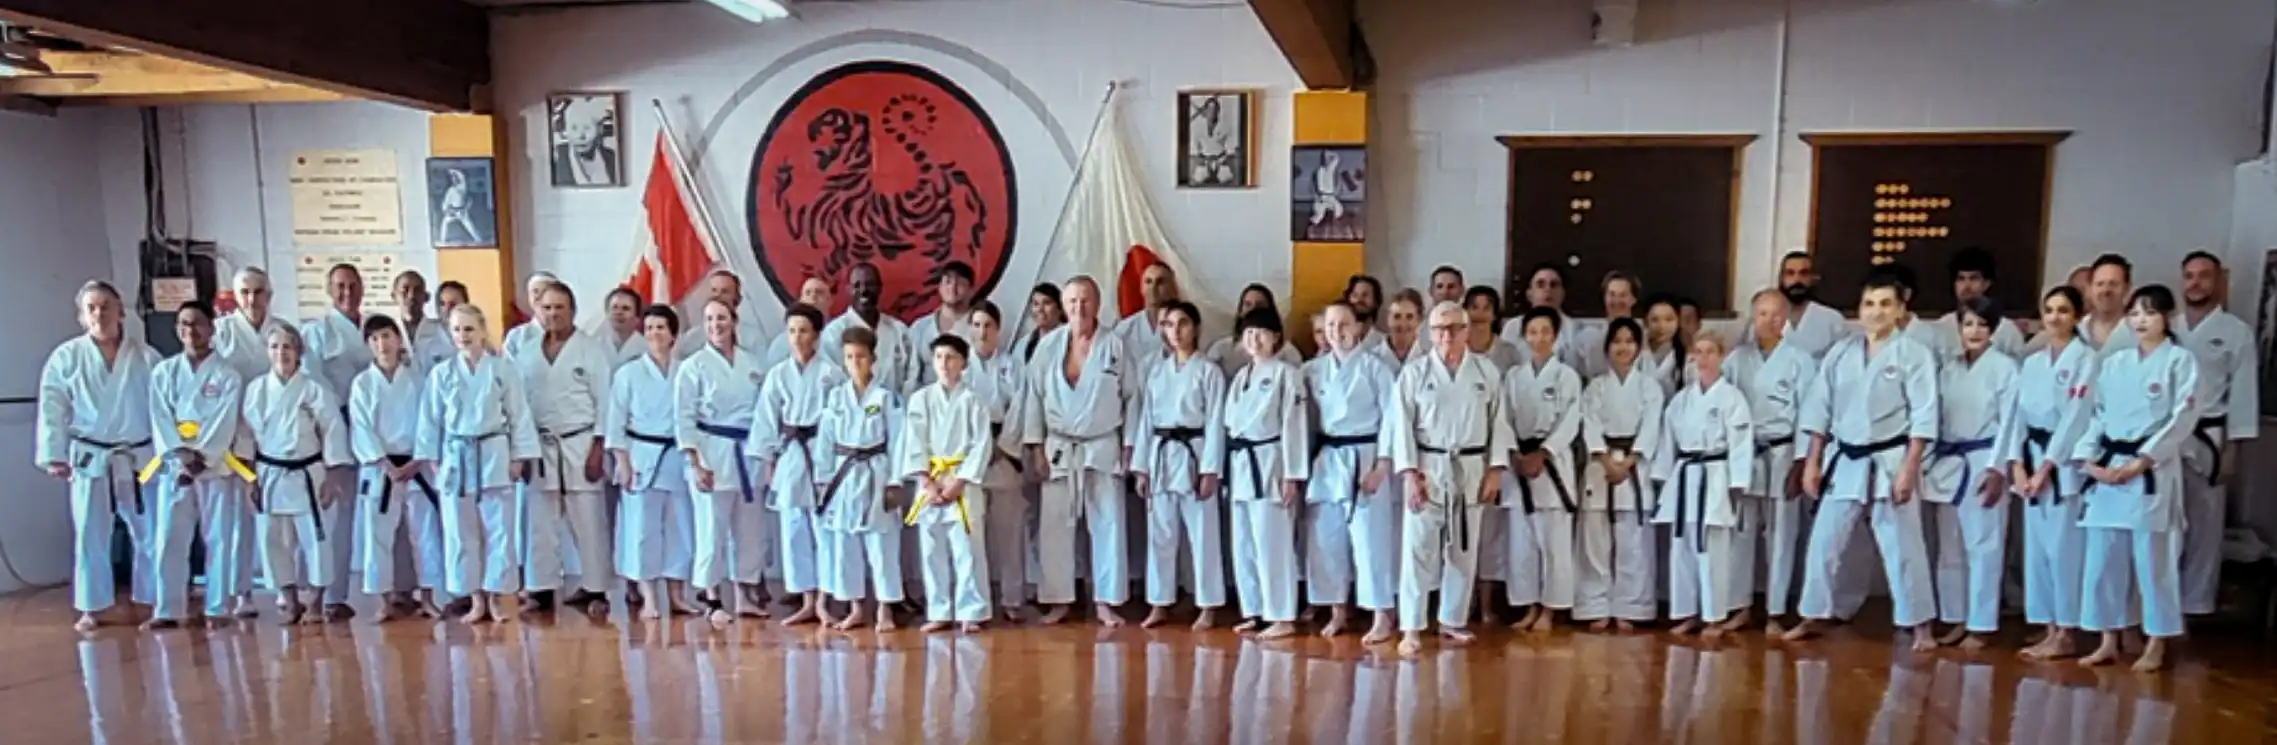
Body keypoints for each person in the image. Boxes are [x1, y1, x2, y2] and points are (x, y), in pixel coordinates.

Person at [1784, 272, 1941, 651]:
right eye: (1870, 304)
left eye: (1886, 304)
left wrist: (1910, 468)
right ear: (1859, 309)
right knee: (1824, 542)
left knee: (1903, 546)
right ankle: (1813, 613)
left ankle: (1919, 625)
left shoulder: (1913, 354)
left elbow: (1924, 414)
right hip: (1846, 458)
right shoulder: (1841, 352)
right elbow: (1818, 409)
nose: (1876, 311)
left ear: (1901, 309)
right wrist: (1812, 462)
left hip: (1890, 458)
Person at [2074, 285, 2198, 672]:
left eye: (2150, 312)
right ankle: (2107, 638)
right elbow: (2098, 414)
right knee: (2102, 558)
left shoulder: (2180, 361)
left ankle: (2156, 641)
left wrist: (2143, 461)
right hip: (2110, 466)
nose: (2141, 320)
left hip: (2151, 470)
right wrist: (2088, 458)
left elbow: (2183, 418)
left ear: (2168, 317)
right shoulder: (2115, 363)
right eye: (2135, 313)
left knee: (2153, 560)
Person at [1387, 301, 1514, 655]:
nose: (1448, 335)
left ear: (1467, 330)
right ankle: (1412, 625)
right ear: (1430, 333)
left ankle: (1452, 619)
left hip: (1472, 465)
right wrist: (1410, 474)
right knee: (1418, 549)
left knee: (1463, 546)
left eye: (1455, 327)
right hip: (1429, 465)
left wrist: (1495, 470)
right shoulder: (1414, 374)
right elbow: (1402, 428)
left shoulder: (1486, 372)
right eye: (1440, 329)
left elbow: (1499, 424)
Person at [38, 280, 160, 632]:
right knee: (91, 530)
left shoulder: (147, 357)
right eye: (91, 307)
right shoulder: (66, 358)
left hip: (139, 454)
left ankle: (154, 598)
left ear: (122, 312)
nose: (99, 313)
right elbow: (52, 406)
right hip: (90, 455)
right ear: (81, 316)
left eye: (106, 306)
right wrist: (53, 453)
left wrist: (170, 455)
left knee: (149, 530)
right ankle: (91, 605)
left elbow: (164, 410)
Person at [1021, 276, 1138, 627]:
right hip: (1059, 447)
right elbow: (1034, 397)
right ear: (1063, 306)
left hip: (1102, 445)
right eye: (1072, 301)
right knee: (1055, 526)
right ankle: (1059, 600)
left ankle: (1105, 600)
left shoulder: (1115, 346)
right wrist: (1035, 446)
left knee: (1108, 524)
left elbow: (1133, 399)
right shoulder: (1048, 347)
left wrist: (1130, 445)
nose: (1078, 308)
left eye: (1085, 301)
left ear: (1097, 304)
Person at [417, 304, 540, 625]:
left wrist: (518, 457)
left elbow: (519, 414)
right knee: (461, 530)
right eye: (456, 330)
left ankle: (497, 597)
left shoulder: (502, 370)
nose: (463, 336)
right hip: (456, 455)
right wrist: (433, 461)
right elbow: (430, 421)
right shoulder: (441, 374)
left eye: (469, 329)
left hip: (494, 451)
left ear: (483, 331)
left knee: (499, 529)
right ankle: (474, 598)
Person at [504, 283, 616, 614]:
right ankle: (541, 588)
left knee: (588, 519)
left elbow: (605, 401)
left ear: (573, 310)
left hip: (580, 441)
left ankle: (596, 589)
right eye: (547, 308)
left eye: (560, 307)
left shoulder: (590, 349)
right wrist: (521, 451)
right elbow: (517, 406)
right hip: (539, 444)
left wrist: (598, 446)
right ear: (537, 311)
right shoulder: (525, 352)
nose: (553, 314)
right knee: (540, 521)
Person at [2002, 286, 2098, 661]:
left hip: (2064, 467)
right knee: (2037, 551)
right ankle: (2047, 627)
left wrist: (2047, 467)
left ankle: (2067, 631)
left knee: (2064, 551)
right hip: (2032, 458)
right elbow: (2017, 417)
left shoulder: (2086, 359)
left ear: (2076, 316)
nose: (2055, 317)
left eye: (2063, 311)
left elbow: (2077, 417)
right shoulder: (2033, 362)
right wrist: (2018, 465)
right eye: (2049, 310)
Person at [144, 300, 250, 628]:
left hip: (214, 466)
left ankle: (218, 607)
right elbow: (159, 417)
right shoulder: (164, 372)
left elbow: (225, 419)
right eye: (184, 324)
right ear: (178, 330)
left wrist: (202, 456)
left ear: (212, 328)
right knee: (169, 537)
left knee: (219, 538)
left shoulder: (228, 375)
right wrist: (179, 454)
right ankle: (167, 608)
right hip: (176, 466)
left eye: (197, 323)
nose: (191, 331)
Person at [1303, 301, 1402, 643]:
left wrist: (1383, 465)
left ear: (1359, 328)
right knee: (1326, 539)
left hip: (1366, 455)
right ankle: (1337, 610)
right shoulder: (1313, 370)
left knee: (1370, 540)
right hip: (1329, 457)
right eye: (1330, 325)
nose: (1337, 331)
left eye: (1344, 324)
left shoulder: (1376, 369)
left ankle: (1381, 614)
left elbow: (1393, 420)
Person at [243, 322, 353, 625]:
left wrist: (333, 475)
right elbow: (245, 439)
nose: (282, 353)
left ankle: (316, 601)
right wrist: (249, 478)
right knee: (273, 539)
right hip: (269, 472)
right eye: (275, 347)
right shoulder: (255, 390)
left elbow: (333, 431)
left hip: (309, 472)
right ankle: (289, 600)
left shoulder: (314, 389)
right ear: (267, 351)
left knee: (316, 539)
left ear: (300, 352)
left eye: (288, 347)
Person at [1924, 296, 2018, 651]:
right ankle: (1955, 617)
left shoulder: (2005, 368)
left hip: (1984, 459)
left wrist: (1998, 469)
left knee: (1984, 544)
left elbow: (2011, 422)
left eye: (1982, 324)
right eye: (1968, 324)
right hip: (1949, 461)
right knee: (1950, 547)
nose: (1974, 331)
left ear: (1993, 330)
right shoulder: (1947, 368)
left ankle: (1981, 623)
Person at [1721, 289, 1816, 636]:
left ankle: (1776, 611)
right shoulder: (1736, 359)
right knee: (1741, 533)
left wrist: (1802, 462)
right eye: (1762, 313)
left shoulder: (1800, 361)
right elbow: (1724, 408)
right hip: (1747, 453)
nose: (1769, 321)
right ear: (1752, 316)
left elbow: (1810, 414)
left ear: (1787, 319)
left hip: (1782, 452)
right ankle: (1740, 606)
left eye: (1776, 314)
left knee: (1781, 535)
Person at [673, 298, 773, 624]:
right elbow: (684, 419)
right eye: (710, 319)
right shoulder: (693, 367)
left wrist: (766, 455)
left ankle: (744, 594)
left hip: (748, 452)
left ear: (734, 321)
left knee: (750, 529)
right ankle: (713, 597)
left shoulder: (753, 364)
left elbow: (764, 414)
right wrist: (695, 463)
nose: (716, 325)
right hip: (711, 452)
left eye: (722, 318)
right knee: (712, 528)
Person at [1131, 300, 1229, 631]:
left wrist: (1210, 469)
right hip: (1161, 454)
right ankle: (1159, 602)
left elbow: (1216, 421)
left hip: (1196, 453)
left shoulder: (1209, 371)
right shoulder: (1156, 371)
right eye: (1169, 325)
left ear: (1196, 328)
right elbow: (1145, 421)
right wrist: (1141, 466)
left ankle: (1208, 605)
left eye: (1183, 324)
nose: (1176, 331)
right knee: (1160, 535)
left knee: (1203, 535)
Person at [2173, 251, 2258, 616]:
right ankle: (2158, 605)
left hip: (2209, 436)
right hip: (2166, 437)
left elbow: (2242, 393)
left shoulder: (2235, 332)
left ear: (2220, 282)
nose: (2196, 283)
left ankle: (2195, 605)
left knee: (2205, 526)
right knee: (2165, 523)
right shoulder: (2167, 326)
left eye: (2204, 276)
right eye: (2189, 276)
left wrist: (2233, 448)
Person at [750, 303, 846, 626]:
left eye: (803, 330)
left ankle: (824, 600)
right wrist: (768, 460)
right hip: (790, 452)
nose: (797, 337)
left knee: (824, 529)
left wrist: (836, 462)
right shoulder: (778, 375)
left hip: (821, 452)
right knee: (793, 529)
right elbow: (766, 420)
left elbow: (840, 420)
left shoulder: (831, 374)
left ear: (817, 336)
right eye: (791, 330)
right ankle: (805, 599)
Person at [1654, 330, 1753, 638]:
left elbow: (1741, 442)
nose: (1704, 358)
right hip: (1685, 476)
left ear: (1722, 356)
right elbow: (1667, 441)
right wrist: (1662, 478)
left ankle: (1714, 616)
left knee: (1713, 551)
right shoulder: (1682, 400)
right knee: (1681, 548)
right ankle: (1686, 612)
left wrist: (1737, 483)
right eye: (1699, 351)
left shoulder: (1732, 397)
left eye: (1711, 351)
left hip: (1715, 475)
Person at [1219, 308, 1311, 640]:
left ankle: (1282, 614)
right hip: (1242, 464)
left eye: (1261, 333)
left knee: (1272, 541)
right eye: (1248, 334)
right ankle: (1255, 610)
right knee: (1244, 542)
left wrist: (1293, 474)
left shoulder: (1288, 374)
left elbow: (1294, 424)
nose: (1255, 339)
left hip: (1271, 462)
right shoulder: (1241, 377)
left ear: (1276, 338)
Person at [349, 315, 445, 621]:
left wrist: (417, 460)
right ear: (368, 345)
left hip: (417, 466)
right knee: (378, 536)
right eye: (375, 339)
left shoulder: (418, 380)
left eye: (387, 336)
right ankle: (385, 600)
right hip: (381, 468)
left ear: (399, 339)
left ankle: (428, 597)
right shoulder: (362, 384)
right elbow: (361, 428)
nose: (382, 344)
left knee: (425, 534)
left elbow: (430, 423)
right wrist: (385, 464)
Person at [898, 333, 995, 632]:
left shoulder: (974, 401)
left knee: (967, 550)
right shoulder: (921, 399)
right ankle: (938, 610)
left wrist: (959, 482)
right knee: (931, 550)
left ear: (964, 363)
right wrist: (927, 481)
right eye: (939, 357)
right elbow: (913, 441)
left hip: (961, 483)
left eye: (951, 357)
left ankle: (971, 611)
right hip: (931, 481)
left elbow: (981, 445)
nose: (944, 363)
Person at [606, 304, 695, 620]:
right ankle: (648, 598)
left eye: (661, 327)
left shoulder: (687, 370)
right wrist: (622, 461)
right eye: (650, 328)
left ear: (674, 334)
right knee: (642, 530)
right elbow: (615, 423)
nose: (655, 333)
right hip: (641, 455)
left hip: (678, 456)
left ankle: (677, 595)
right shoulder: (628, 374)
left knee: (681, 528)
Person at [815, 327, 907, 631]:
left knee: (883, 544)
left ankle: (885, 609)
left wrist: (896, 481)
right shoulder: (836, 397)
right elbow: (825, 442)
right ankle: (855, 607)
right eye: (850, 357)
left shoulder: (886, 398)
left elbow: (899, 441)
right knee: (845, 543)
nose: (856, 362)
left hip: (876, 471)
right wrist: (823, 479)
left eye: (861, 357)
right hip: (844, 475)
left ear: (873, 359)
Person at [297, 263, 374, 620]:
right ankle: (321, 593)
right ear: (329, 290)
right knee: (331, 514)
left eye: (353, 285)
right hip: (336, 427)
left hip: (373, 429)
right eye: (340, 286)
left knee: (373, 512)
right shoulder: (318, 332)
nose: (347, 292)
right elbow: (313, 386)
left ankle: (341, 594)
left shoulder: (374, 328)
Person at [1576, 317, 1662, 633]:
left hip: (1634, 467)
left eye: (1629, 341)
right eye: (1617, 341)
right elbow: (1589, 423)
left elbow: (1652, 424)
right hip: (1601, 465)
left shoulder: (1649, 387)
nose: (1623, 347)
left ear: (1638, 348)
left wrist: (1630, 461)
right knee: (1594, 541)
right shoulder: (1596, 387)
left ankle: (1632, 606)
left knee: (1633, 541)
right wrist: (1603, 457)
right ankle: (1595, 605)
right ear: (1607, 347)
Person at [1502, 306, 1583, 633]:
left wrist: (1544, 453)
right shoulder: (1513, 377)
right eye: (1533, 332)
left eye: (1545, 332)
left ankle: (1551, 609)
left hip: (1552, 465)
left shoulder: (1567, 377)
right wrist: (1516, 455)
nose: (1539, 338)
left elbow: (1571, 421)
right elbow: (1502, 418)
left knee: (1554, 544)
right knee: (1522, 544)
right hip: (1519, 463)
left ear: (1556, 336)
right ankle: (1530, 606)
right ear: (1524, 337)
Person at [963, 302, 1032, 621]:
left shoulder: (1013, 366)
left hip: (1005, 455)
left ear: (998, 328)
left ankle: (1012, 598)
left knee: (1010, 532)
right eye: (976, 325)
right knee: (972, 535)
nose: (982, 331)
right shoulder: (959, 369)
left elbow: (1021, 407)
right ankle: (976, 600)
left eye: (988, 325)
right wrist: (978, 450)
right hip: (971, 460)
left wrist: (1002, 446)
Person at [821, 263, 919, 395]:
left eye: (870, 284)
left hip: (894, 410)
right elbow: (831, 378)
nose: (864, 290)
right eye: (857, 285)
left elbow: (912, 375)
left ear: (880, 288)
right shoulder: (834, 333)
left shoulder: (898, 330)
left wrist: (898, 407)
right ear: (848, 289)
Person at [1937, 247, 2027, 358]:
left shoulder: (2007, 330)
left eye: (1974, 278)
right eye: (1961, 279)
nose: (1967, 286)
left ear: (1987, 283)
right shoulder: (1941, 327)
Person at [214, 267, 294, 384]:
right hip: (233, 399)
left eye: (258, 292)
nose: (252, 300)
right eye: (245, 292)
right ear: (235, 296)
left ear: (269, 295)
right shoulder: (220, 329)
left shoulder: (284, 329)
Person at [1205, 284, 1304, 377]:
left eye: (1260, 305)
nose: (1253, 309)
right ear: (1240, 311)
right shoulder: (1221, 349)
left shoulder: (1288, 352)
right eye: (1248, 304)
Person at [1502, 262, 1585, 371]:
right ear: (1529, 293)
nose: (1548, 290)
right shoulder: (1513, 327)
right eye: (1540, 285)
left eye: (1554, 285)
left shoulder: (1575, 329)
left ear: (1562, 293)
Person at [910, 261, 980, 387]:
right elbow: (911, 375)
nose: (952, 288)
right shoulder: (920, 327)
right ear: (940, 287)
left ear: (971, 290)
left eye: (960, 283)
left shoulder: (980, 329)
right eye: (948, 282)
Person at [1568, 271, 1640, 380]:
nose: (1616, 301)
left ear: (1633, 299)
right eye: (1612, 294)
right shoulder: (1587, 337)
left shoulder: (1644, 336)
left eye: (1623, 295)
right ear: (1605, 298)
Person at [1116, 263, 1180, 367]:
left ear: (1173, 287)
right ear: (1141, 288)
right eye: (1148, 282)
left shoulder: (1186, 324)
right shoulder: (1124, 330)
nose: (1153, 288)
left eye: (1160, 282)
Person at [763, 276, 834, 368]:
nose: (813, 296)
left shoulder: (839, 331)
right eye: (808, 293)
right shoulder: (782, 343)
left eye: (819, 292)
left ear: (830, 300)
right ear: (801, 300)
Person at [394, 271, 454, 371]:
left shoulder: (444, 332)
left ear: (426, 297)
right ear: (394, 296)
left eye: (417, 290)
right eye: (405, 290)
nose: (411, 296)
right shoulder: (385, 334)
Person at [2081, 254, 2138, 353]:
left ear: (2127, 288)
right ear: (2089, 289)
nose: (2106, 290)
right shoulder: (2075, 332)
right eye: (2100, 284)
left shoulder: (2140, 334)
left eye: (2113, 284)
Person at [1640, 295, 1686, 396]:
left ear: (1678, 321)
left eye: (1669, 319)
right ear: (1645, 322)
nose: (1662, 326)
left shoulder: (1685, 357)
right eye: (1655, 320)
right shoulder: (1635, 354)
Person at [1018, 283, 1067, 364]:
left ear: (1060, 308)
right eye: (1036, 304)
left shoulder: (1069, 339)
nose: (1040, 309)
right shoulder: (1023, 343)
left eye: (1047, 303)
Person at [1377, 289, 1428, 366]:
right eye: (1397, 316)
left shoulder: (1428, 361)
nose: (1402, 323)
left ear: (1419, 320)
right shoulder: (1368, 360)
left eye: (1409, 317)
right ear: (1388, 319)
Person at [601, 287, 647, 367]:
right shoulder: (593, 345)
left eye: (625, 308)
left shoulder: (647, 350)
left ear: (637, 318)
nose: (619, 312)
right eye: (615, 307)